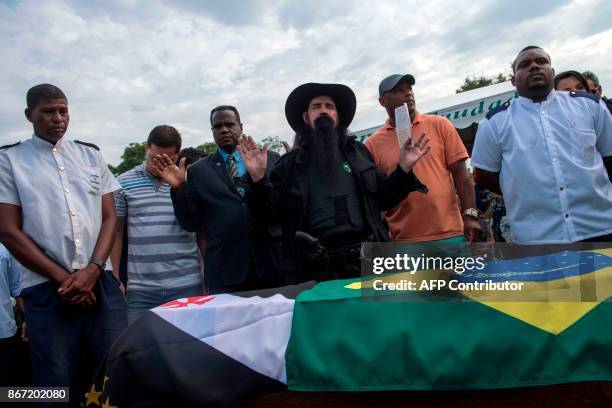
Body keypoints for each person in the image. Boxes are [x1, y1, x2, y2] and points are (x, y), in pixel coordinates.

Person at [0, 84, 126, 406]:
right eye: (48, 111)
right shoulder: (9, 160)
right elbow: (8, 231)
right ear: (30, 115)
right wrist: (67, 279)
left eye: (63, 110)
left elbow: (110, 218)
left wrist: (93, 271)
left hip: (101, 282)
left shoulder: (90, 155)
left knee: (108, 372)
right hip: (46, 287)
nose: (58, 118)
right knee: (54, 380)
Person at [237, 83, 430, 283]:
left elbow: (385, 197)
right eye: (316, 106)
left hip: (370, 261)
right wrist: (258, 180)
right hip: (315, 267)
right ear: (305, 117)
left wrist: (403, 169)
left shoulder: (359, 153)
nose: (323, 111)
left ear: (338, 116)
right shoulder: (289, 165)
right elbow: (269, 214)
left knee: (376, 314)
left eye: (329, 106)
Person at [472, 46, 612, 244]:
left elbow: (609, 157)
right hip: (537, 238)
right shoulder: (495, 122)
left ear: (552, 73)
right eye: (525, 64)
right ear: (513, 80)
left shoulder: (590, 106)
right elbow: (484, 176)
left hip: (600, 226)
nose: (535, 66)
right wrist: (523, 189)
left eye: (542, 61)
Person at [151, 106, 282, 294]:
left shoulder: (270, 160)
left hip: (271, 265)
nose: (224, 130)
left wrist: (259, 179)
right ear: (212, 131)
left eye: (229, 124)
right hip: (225, 271)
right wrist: (180, 189)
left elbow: (279, 209)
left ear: (241, 126)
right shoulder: (198, 171)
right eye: (217, 126)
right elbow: (191, 223)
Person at [365, 74, 482, 245]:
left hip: (451, 235)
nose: (408, 94)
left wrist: (470, 215)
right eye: (398, 90)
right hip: (405, 242)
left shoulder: (440, 124)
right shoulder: (372, 145)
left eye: (409, 88)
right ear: (382, 101)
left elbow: (462, 175)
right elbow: (377, 196)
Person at [111, 126, 204, 324]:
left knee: (187, 348)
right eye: (155, 157)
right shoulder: (122, 182)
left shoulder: (191, 180)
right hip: (141, 290)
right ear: (146, 148)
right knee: (141, 349)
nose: (159, 164)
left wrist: (180, 187)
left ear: (178, 153)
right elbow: (116, 233)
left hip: (187, 284)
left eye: (167, 158)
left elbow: (201, 230)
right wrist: (115, 277)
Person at [0, 243, 20, 385]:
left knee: (5, 391)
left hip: (3, 332)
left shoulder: (5, 250)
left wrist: (27, 320)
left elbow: (18, 289)